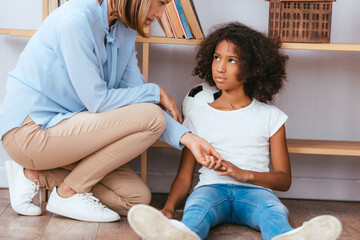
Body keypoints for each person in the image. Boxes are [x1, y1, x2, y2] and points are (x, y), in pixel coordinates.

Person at [0, 0, 222, 222]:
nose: (161, 14)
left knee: (136, 199)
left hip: (68, 131)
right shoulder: (75, 20)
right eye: (160, 3)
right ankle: (67, 193)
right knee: (152, 117)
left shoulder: (123, 29)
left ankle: (34, 174)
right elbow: (98, 101)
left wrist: (187, 138)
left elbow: (135, 95)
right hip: (30, 132)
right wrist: (154, 92)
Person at [127, 22, 342, 240]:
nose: (220, 67)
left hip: (256, 193)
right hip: (210, 190)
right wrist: (169, 209)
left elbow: (284, 180)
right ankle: (181, 235)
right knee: (196, 209)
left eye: (232, 60)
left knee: (274, 212)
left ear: (251, 68)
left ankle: (287, 237)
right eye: (216, 57)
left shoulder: (272, 117)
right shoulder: (197, 117)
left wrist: (244, 174)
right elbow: (184, 177)